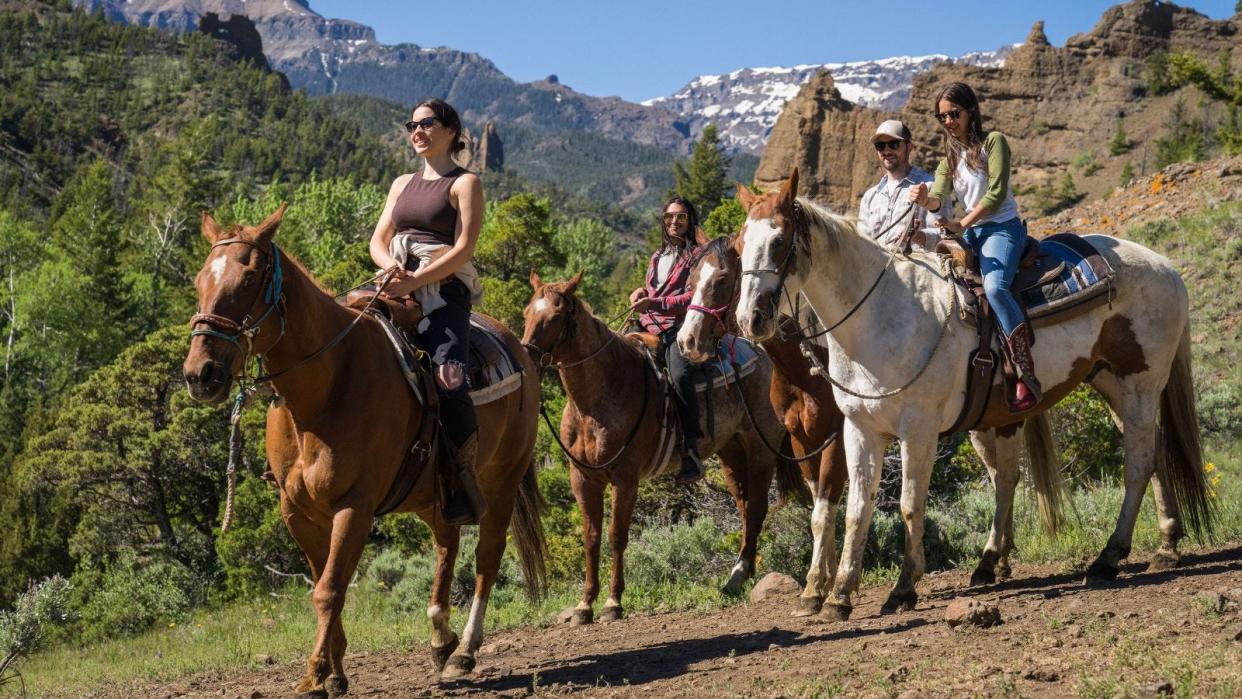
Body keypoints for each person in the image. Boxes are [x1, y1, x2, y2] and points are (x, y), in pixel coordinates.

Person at [368, 98, 486, 525]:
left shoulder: (464, 183)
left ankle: (461, 477)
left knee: (448, 378)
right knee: (340, 338)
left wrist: (417, 281)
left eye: (426, 123)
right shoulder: (401, 183)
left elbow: (464, 248)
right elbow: (377, 241)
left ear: (451, 130)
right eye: (411, 125)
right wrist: (392, 269)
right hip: (395, 280)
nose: (416, 131)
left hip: (443, 290)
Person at [910, 82, 1040, 412]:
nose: (949, 121)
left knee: (996, 288)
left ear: (971, 112)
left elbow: (995, 195)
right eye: (943, 117)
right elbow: (940, 199)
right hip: (971, 234)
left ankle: (1026, 372)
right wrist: (929, 201)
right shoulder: (947, 161)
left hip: (1002, 228)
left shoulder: (993, 143)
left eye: (955, 114)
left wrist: (962, 224)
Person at [629, 197, 708, 484]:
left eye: (681, 217)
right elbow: (653, 289)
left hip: (679, 327)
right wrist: (639, 293)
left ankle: (691, 448)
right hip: (648, 324)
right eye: (669, 217)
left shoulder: (698, 256)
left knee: (680, 375)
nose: (674, 222)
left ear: (690, 221)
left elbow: (692, 298)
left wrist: (654, 303)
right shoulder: (656, 256)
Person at [858, 119, 951, 251]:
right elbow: (861, 243)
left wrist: (918, 236)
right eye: (880, 146)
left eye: (893, 144)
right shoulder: (870, 197)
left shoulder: (931, 187)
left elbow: (945, 234)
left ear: (909, 147)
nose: (886, 151)